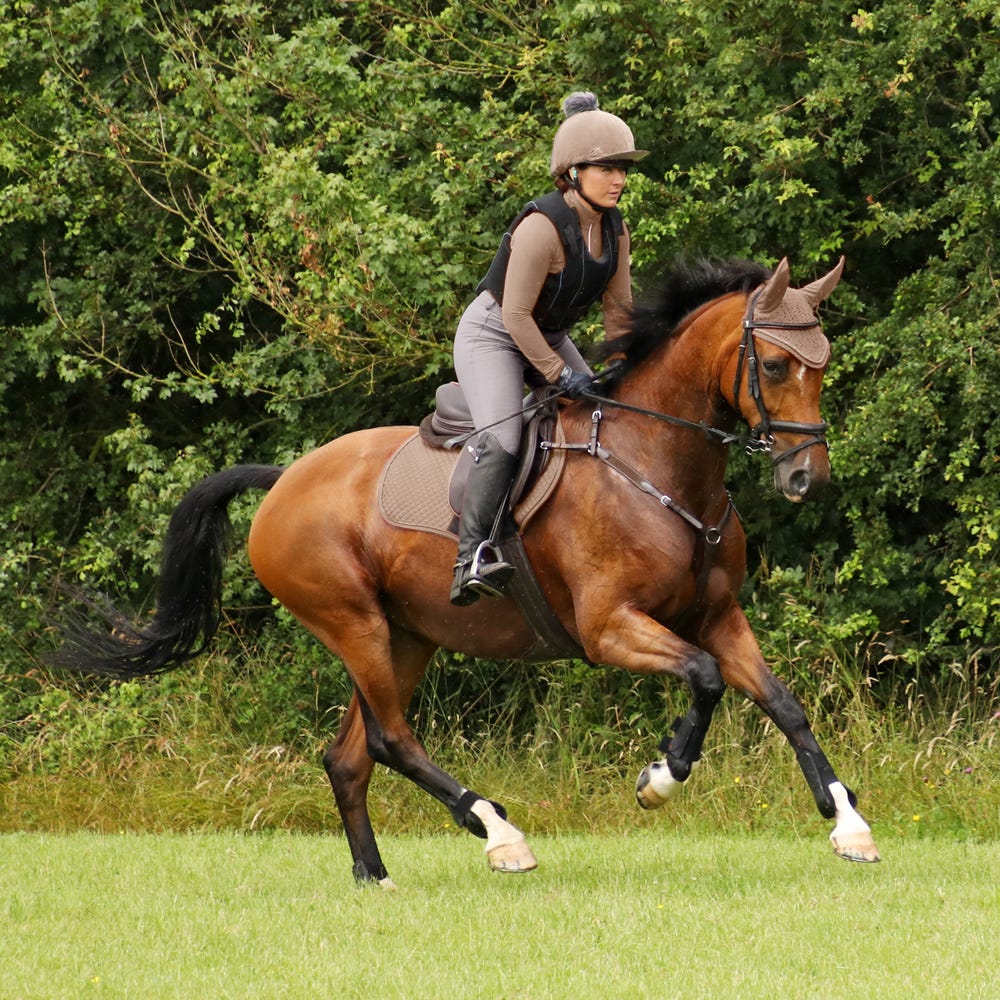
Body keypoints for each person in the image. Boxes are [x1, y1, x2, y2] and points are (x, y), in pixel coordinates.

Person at [449, 91, 648, 606]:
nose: (619, 178)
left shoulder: (615, 229)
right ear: (574, 172)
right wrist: (561, 376)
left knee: (611, 415)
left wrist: (625, 366)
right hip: (492, 334)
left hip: (549, 335)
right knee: (508, 436)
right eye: (607, 168)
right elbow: (514, 316)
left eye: (623, 168)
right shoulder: (541, 227)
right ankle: (470, 555)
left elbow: (618, 309)